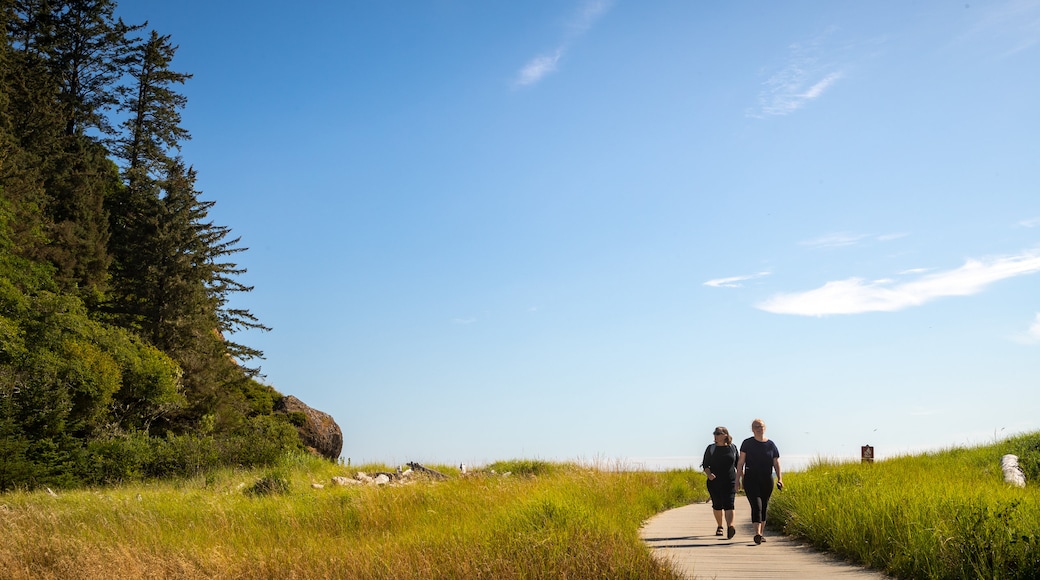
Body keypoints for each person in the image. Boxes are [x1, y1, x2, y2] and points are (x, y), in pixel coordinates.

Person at [735, 418, 782, 545]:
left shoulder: (771, 445)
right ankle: (757, 534)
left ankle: (761, 533)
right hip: (751, 479)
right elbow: (740, 463)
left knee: (764, 506)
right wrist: (737, 480)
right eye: (756, 426)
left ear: (764, 428)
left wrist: (780, 479)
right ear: (752, 429)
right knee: (757, 506)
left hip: (767, 479)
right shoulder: (747, 443)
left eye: (760, 426)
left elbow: (776, 463)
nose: (759, 428)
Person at [701, 426, 738, 539]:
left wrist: (740, 479)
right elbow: (705, 465)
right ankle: (720, 526)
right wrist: (709, 474)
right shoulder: (711, 448)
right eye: (715, 433)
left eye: (718, 433)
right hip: (714, 482)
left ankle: (730, 526)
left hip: (730, 481)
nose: (715, 436)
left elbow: (738, 465)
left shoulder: (733, 448)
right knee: (717, 505)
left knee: (729, 504)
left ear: (725, 435)